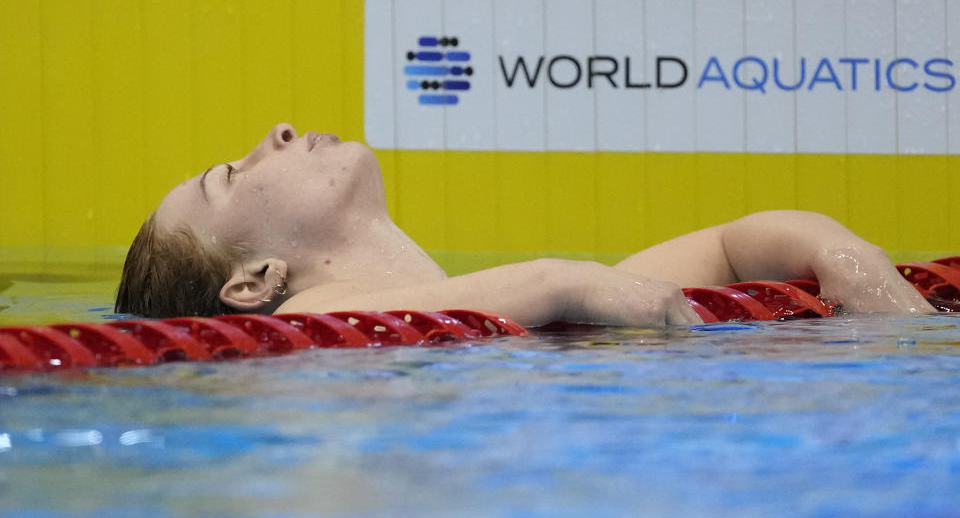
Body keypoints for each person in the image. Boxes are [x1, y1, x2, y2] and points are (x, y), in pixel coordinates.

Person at [115, 123, 934, 326]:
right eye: (231, 176)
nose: (278, 136)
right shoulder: (301, 337)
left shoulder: (557, 304)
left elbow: (733, 241)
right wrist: (557, 279)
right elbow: (347, 331)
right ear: (254, 284)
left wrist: (842, 254)